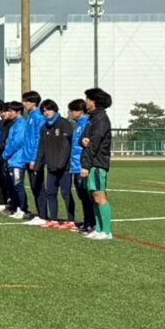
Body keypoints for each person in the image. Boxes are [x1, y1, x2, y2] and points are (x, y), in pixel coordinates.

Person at [80, 87, 114, 241]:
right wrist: (84, 141)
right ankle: (99, 228)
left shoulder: (100, 119)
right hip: (92, 162)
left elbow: (94, 144)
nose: (85, 102)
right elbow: (84, 140)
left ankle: (106, 231)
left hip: (97, 163)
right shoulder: (92, 118)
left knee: (100, 197)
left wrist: (86, 165)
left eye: (87, 99)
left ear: (94, 101)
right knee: (93, 197)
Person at [34, 99, 75, 229]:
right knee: (50, 193)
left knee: (66, 193)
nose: (46, 113)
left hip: (64, 167)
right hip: (51, 167)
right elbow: (41, 148)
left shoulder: (64, 124)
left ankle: (71, 220)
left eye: (49, 110)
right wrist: (37, 164)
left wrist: (61, 164)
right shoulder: (44, 127)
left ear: (55, 110)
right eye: (44, 111)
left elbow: (66, 147)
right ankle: (54, 219)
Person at [67, 99, 94, 234]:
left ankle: (92, 223)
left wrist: (85, 165)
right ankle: (86, 221)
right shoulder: (78, 125)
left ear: (80, 111)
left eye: (73, 110)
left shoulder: (87, 124)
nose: (71, 113)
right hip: (75, 165)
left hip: (82, 166)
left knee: (87, 196)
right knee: (82, 196)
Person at [21, 91, 47, 224]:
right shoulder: (30, 117)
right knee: (34, 186)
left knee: (38, 186)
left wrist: (34, 159)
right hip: (27, 156)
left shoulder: (38, 117)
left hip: (34, 158)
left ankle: (43, 215)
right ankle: (40, 213)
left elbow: (38, 139)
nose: (24, 104)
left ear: (34, 103)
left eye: (26, 101)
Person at [3, 101, 30, 219]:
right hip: (13, 159)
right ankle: (17, 207)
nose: (9, 113)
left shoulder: (22, 124)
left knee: (18, 184)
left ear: (18, 112)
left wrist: (5, 154)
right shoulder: (15, 124)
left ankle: (23, 209)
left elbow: (17, 142)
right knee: (14, 185)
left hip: (18, 159)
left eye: (11, 111)